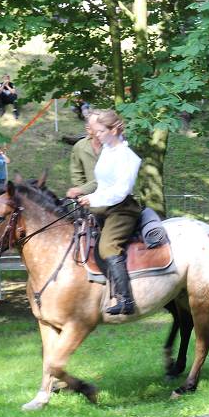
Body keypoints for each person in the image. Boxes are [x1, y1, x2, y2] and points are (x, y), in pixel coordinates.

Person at [76, 109, 141, 315]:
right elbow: (103, 184)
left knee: (108, 247)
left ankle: (126, 300)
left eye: (101, 131)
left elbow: (120, 191)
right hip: (104, 207)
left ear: (113, 130)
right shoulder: (107, 149)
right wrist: (88, 197)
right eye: (95, 131)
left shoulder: (127, 157)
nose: (97, 135)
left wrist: (92, 199)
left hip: (122, 209)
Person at [66, 113, 101, 199]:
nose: (88, 126)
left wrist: (81, 190)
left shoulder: (113, 147)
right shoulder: (80, 146)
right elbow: (77, 174)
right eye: (87, 124)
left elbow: (110, 178)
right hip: (88, 198)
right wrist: (83, 196)